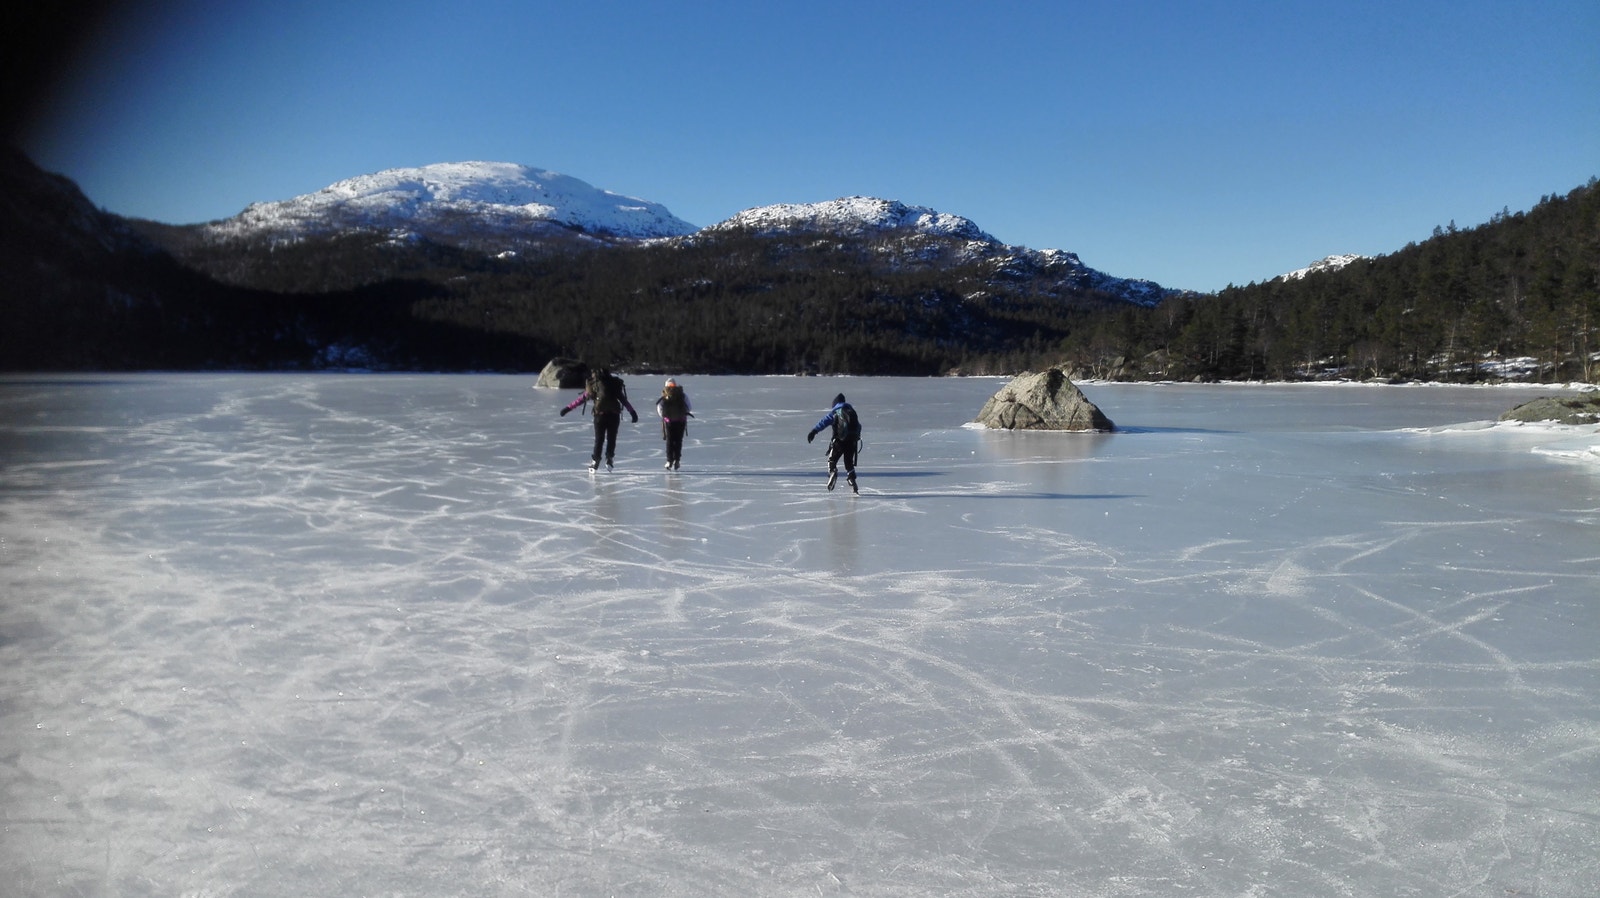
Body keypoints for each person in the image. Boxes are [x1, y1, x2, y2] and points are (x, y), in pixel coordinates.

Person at [559, 367, 638, 471]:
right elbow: (623, 400)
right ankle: (609, 459)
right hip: (614, 415)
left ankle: (595, 461)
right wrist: (632, 412)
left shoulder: (595, 385)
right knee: (611, 438)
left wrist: (568, 408)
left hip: (600, 415)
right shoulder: (614, 384)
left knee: (599, 439)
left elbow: (582, 399)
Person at [806, 392, 861, 494]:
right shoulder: (851, 411)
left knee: (832, 460)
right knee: (849, 463)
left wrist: (814, 431)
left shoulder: (836, 412)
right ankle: (852, 480)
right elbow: (859, 426)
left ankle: (833, 472)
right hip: (852, 441)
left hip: (839, 441)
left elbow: (823, 422)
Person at [654, 377, 693, 470]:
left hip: (669, 422)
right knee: (678, 441)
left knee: (670, 441)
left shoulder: (665, 396)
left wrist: (665, 416)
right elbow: (689, 407)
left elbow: (660, 408)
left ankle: (669, 461)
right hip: (681, 421)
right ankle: (677, 460)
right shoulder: (682, 395)